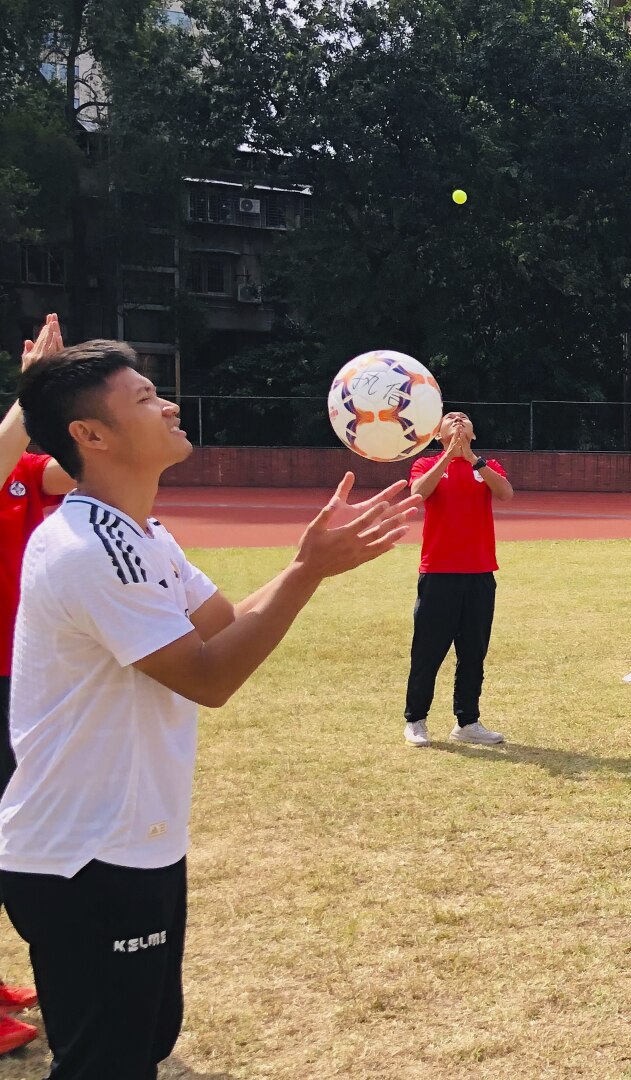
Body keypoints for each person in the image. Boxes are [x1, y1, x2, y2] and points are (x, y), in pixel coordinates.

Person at [0, 339, 416, 1078]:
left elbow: (220, 623)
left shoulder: (142, 536)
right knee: (107, 1061)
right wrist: (309, 572)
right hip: (84, 858)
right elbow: (207, 676)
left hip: (134, 841)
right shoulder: (89, 547)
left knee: (144, 1042)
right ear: (90, 436)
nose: (168, 406)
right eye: (143, 399)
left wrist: (302, 564)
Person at [0, 315, 79, 1055]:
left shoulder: (22, 471)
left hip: (18, 678)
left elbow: (72, 470)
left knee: (12, 827)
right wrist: (33, 390)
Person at [403, 410, 513, 747]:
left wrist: (473, 460)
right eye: (450, 419)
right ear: (437, 434)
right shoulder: (425, 464)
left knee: (473, 652)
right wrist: (448, 457)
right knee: (428, 651)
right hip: (438, 571)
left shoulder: (487, 466)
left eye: (464, 419)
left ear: (474, 434)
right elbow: (418, 493)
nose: (458, 421)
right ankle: (416, 720)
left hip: (480, 573)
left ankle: (467, 721)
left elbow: (506, 494)